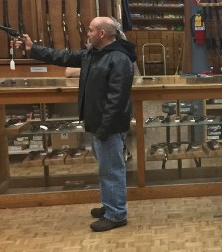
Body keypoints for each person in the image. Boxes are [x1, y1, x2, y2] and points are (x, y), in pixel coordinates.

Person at [18, 16, 136, 232]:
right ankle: (111, 205)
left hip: (108, 126)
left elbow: (117, 99)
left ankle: (117, 214)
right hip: (98, 123)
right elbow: (63, 57)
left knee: (112, 170)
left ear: (102, 34)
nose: (87, 34)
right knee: (107, 169)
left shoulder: (119, 59)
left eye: (91, 30)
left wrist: (104, 129)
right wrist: (32, 48)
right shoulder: (93, 54)